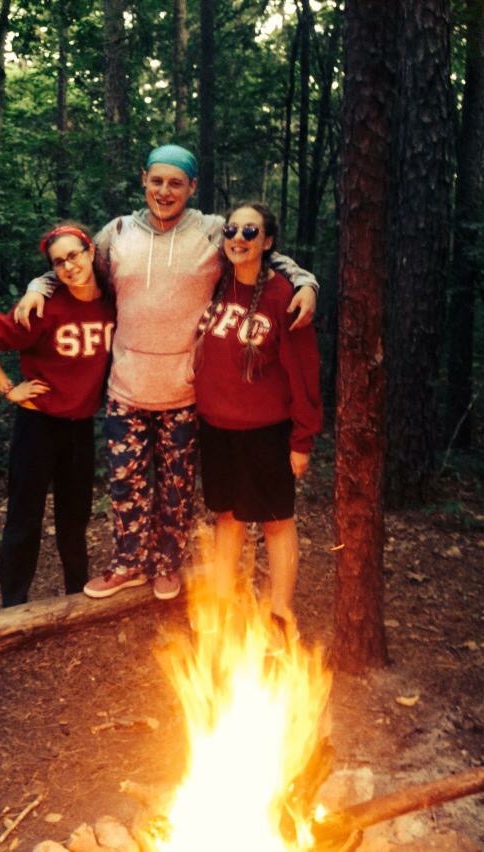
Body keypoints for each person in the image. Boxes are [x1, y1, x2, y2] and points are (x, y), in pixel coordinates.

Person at [14, 144, 318, 602]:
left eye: (176, 183)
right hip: (126, 387)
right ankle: (128, 564)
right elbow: (75, 267)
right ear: (143, 180)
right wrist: (38, 285)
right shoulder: (118, 233)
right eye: (156, 181)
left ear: (192, 187)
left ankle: (165, 565)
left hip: (183, 391)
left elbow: (259, 253)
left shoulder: (212, 232)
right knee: (126, 486)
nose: (164, 191)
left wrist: (306, 282)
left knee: (176, 490)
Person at [0, 223, 115, 607]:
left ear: (90, 251)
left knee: (75, 519)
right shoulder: (43, 308)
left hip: (80, 426)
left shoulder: (111, 304)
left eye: (74, 255)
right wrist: (8, 389)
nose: (69, 266)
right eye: (58, 262)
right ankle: (13, 604)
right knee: (24, 517)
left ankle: (77, 594)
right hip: (38, 425)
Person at [194, 202, 322, 636]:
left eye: (251, 232)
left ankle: (280, 611)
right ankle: (221, 609)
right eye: (232, 229)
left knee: (276, 520)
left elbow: (303, 372)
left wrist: (302, 439)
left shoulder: (284, 295)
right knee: (227, 517)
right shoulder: (215, 282)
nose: (238, 238)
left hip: (266, 431)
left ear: (268, 242)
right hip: (216, 428)